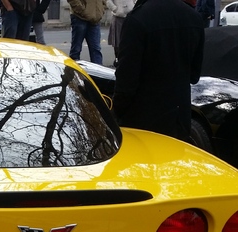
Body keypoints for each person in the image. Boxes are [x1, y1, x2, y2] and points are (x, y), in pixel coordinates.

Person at [113, 0, 204, 143]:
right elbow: (194, 75)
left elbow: (126, 79)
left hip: (143, 120)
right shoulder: (194, 18)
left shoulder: (137, 19)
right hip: (179, 118)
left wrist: (116, 112)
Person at [66, 0, 105, 64]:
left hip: (95, 18)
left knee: (96, 50)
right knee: (76, 50)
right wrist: (81, 9)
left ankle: (97, 73)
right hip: (79, 17)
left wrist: (101, 8)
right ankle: (73, 72)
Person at [106, 0, 135, 66]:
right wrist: (115, 9)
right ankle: (118, 60)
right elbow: (108, 1)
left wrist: (134, 7)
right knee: (117, 42)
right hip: (118, 17)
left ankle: (129, 61)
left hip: (131, 16)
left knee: (131, 41)